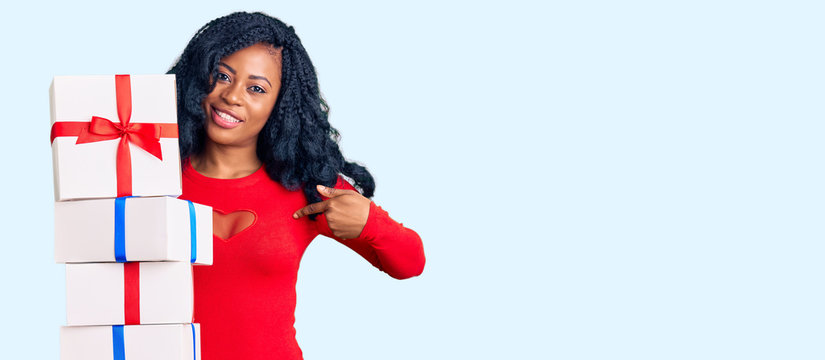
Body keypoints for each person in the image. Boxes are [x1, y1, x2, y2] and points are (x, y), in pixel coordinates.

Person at [166, 11, 426, 360]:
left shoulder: (304, 187)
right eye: (222, 76)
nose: (232, 96)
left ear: (280, 105)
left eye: (256, 88)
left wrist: (370, 222)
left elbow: (410, 263)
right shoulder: (148, 177)